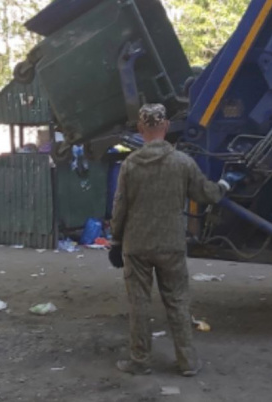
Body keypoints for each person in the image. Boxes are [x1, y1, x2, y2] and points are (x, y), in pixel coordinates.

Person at [109, 103, 237, 377]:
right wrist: (226, 184)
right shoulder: (182, 162)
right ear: (165, 127)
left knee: (139, 304)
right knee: (178, 301)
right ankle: (187, 362)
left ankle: (140, 360)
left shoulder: (130, 165)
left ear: (141, 129)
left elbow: (120, 206)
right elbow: (208, 195)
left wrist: (116, 242)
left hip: (137, 246)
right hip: (171, 245)